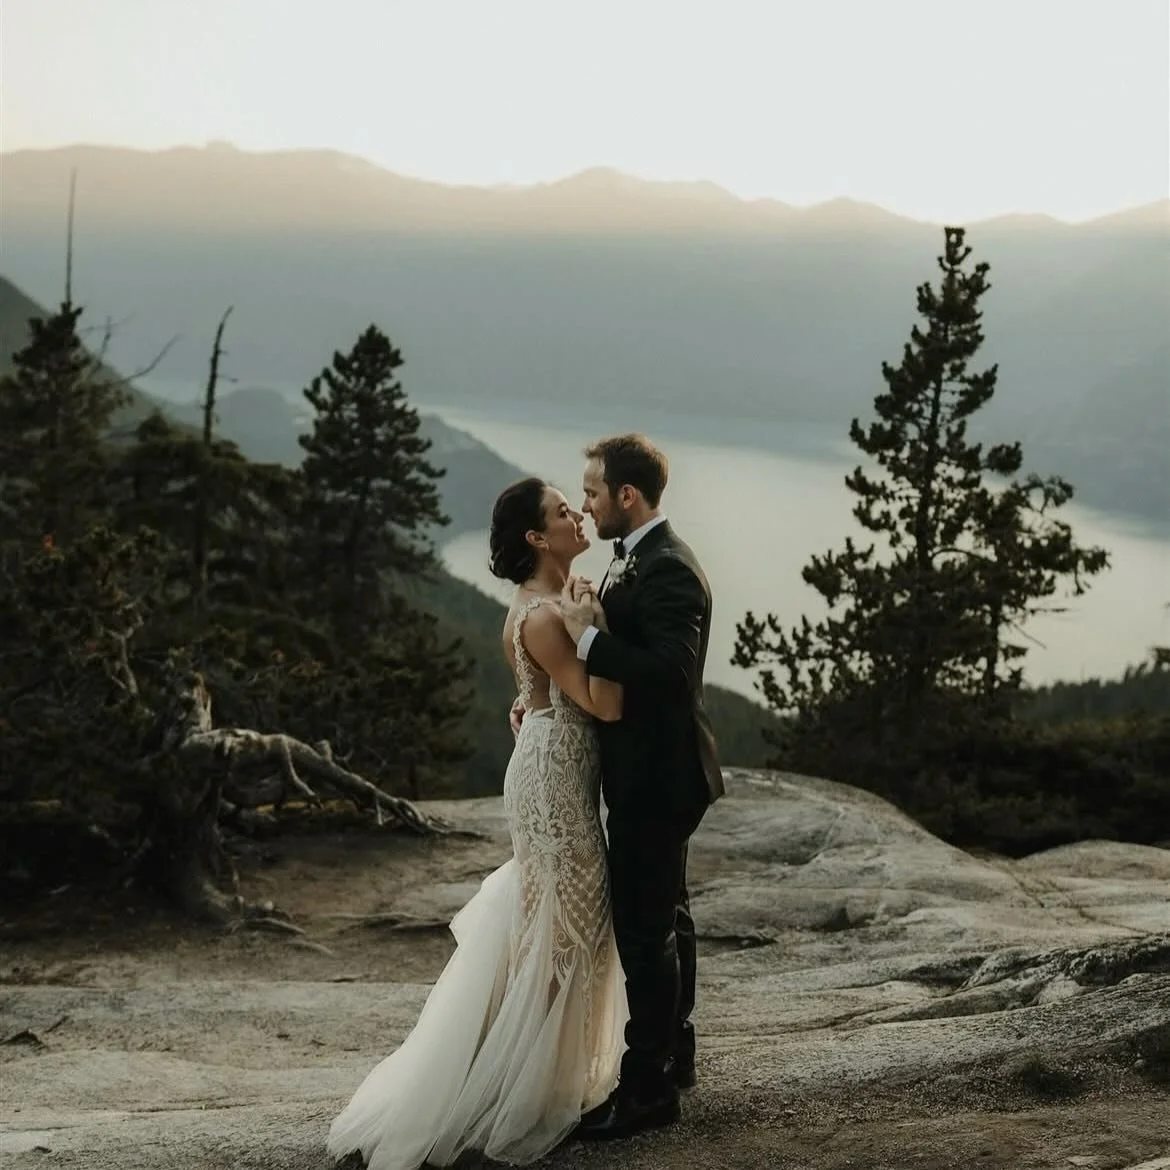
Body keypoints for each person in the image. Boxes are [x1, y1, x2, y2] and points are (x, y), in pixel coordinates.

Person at [327, 477, 627, 1170]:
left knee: (554, 926)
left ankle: (529, 1076)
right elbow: (604, 707)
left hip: (546, 764)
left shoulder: (542, 601)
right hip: (553, 783)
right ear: (535, 537)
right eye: (561, 512)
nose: (576, 514)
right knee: (571, 928)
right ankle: (521, 1094)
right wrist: (597, 632)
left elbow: (531, 697)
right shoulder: (551, 616)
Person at [514, 432, 723, 1141]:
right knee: (670, 917)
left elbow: (670, 670)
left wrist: (591, 641)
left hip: (659, 778)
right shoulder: (631, 561)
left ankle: (646, 1091)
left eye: (594, 492)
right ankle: (675, 1053)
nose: (588, 503)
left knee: (643, 933)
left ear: (626, 496)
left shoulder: (668, 570)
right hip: (647, 772)